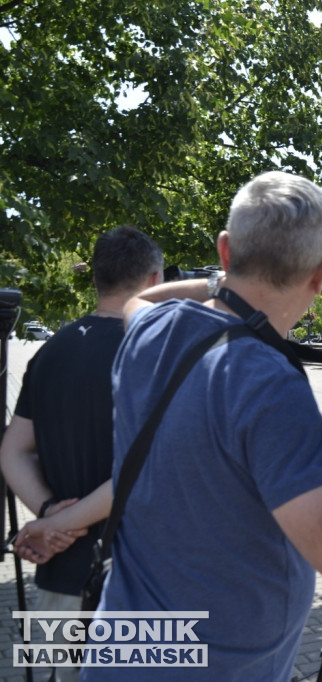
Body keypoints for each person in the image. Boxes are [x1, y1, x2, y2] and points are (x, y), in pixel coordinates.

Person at [62, 171, 322, 681]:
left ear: (225, 251)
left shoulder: (154, 329)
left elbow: (136, 301)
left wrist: (219, 283)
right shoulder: (265, 381)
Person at [0, 226, 164, 682]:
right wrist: (55, 521)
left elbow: (12, 449)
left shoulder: (49, 352)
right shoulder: (156, 356)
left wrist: (50, 513)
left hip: (58, 574)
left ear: (96, 278)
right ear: (155, 279)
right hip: (138, 584)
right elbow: (142, 471)